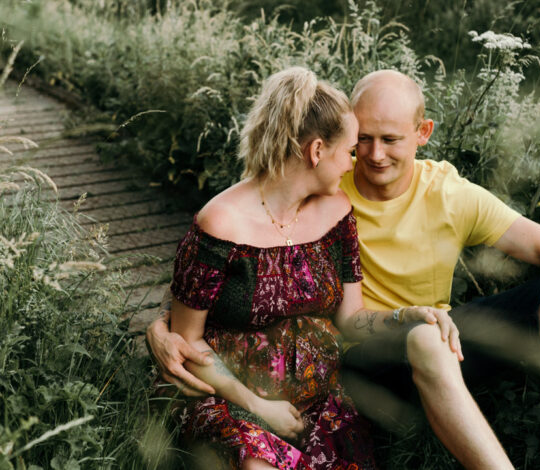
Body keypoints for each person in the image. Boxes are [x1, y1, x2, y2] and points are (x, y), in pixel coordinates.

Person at [148, 69, 540, 470]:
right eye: (360, 140)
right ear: (329, 146)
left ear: (422, 134)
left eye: (390, 139)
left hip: (411, 348)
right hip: (350, 362)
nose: (371, 156)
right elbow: (218, 267)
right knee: (423, 336)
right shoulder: (320, 192)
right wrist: (161, 327)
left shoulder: (433, 196)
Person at [157, 67, 448, 470]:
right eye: (348, 151)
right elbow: (187, 341)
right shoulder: (219, 225)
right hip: (230, 400)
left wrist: (407, 317)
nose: (353, 164)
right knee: (256, 463)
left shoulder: (338, 214)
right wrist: (257, 404)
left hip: (320, 400)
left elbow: (351, 318)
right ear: (316, 152)